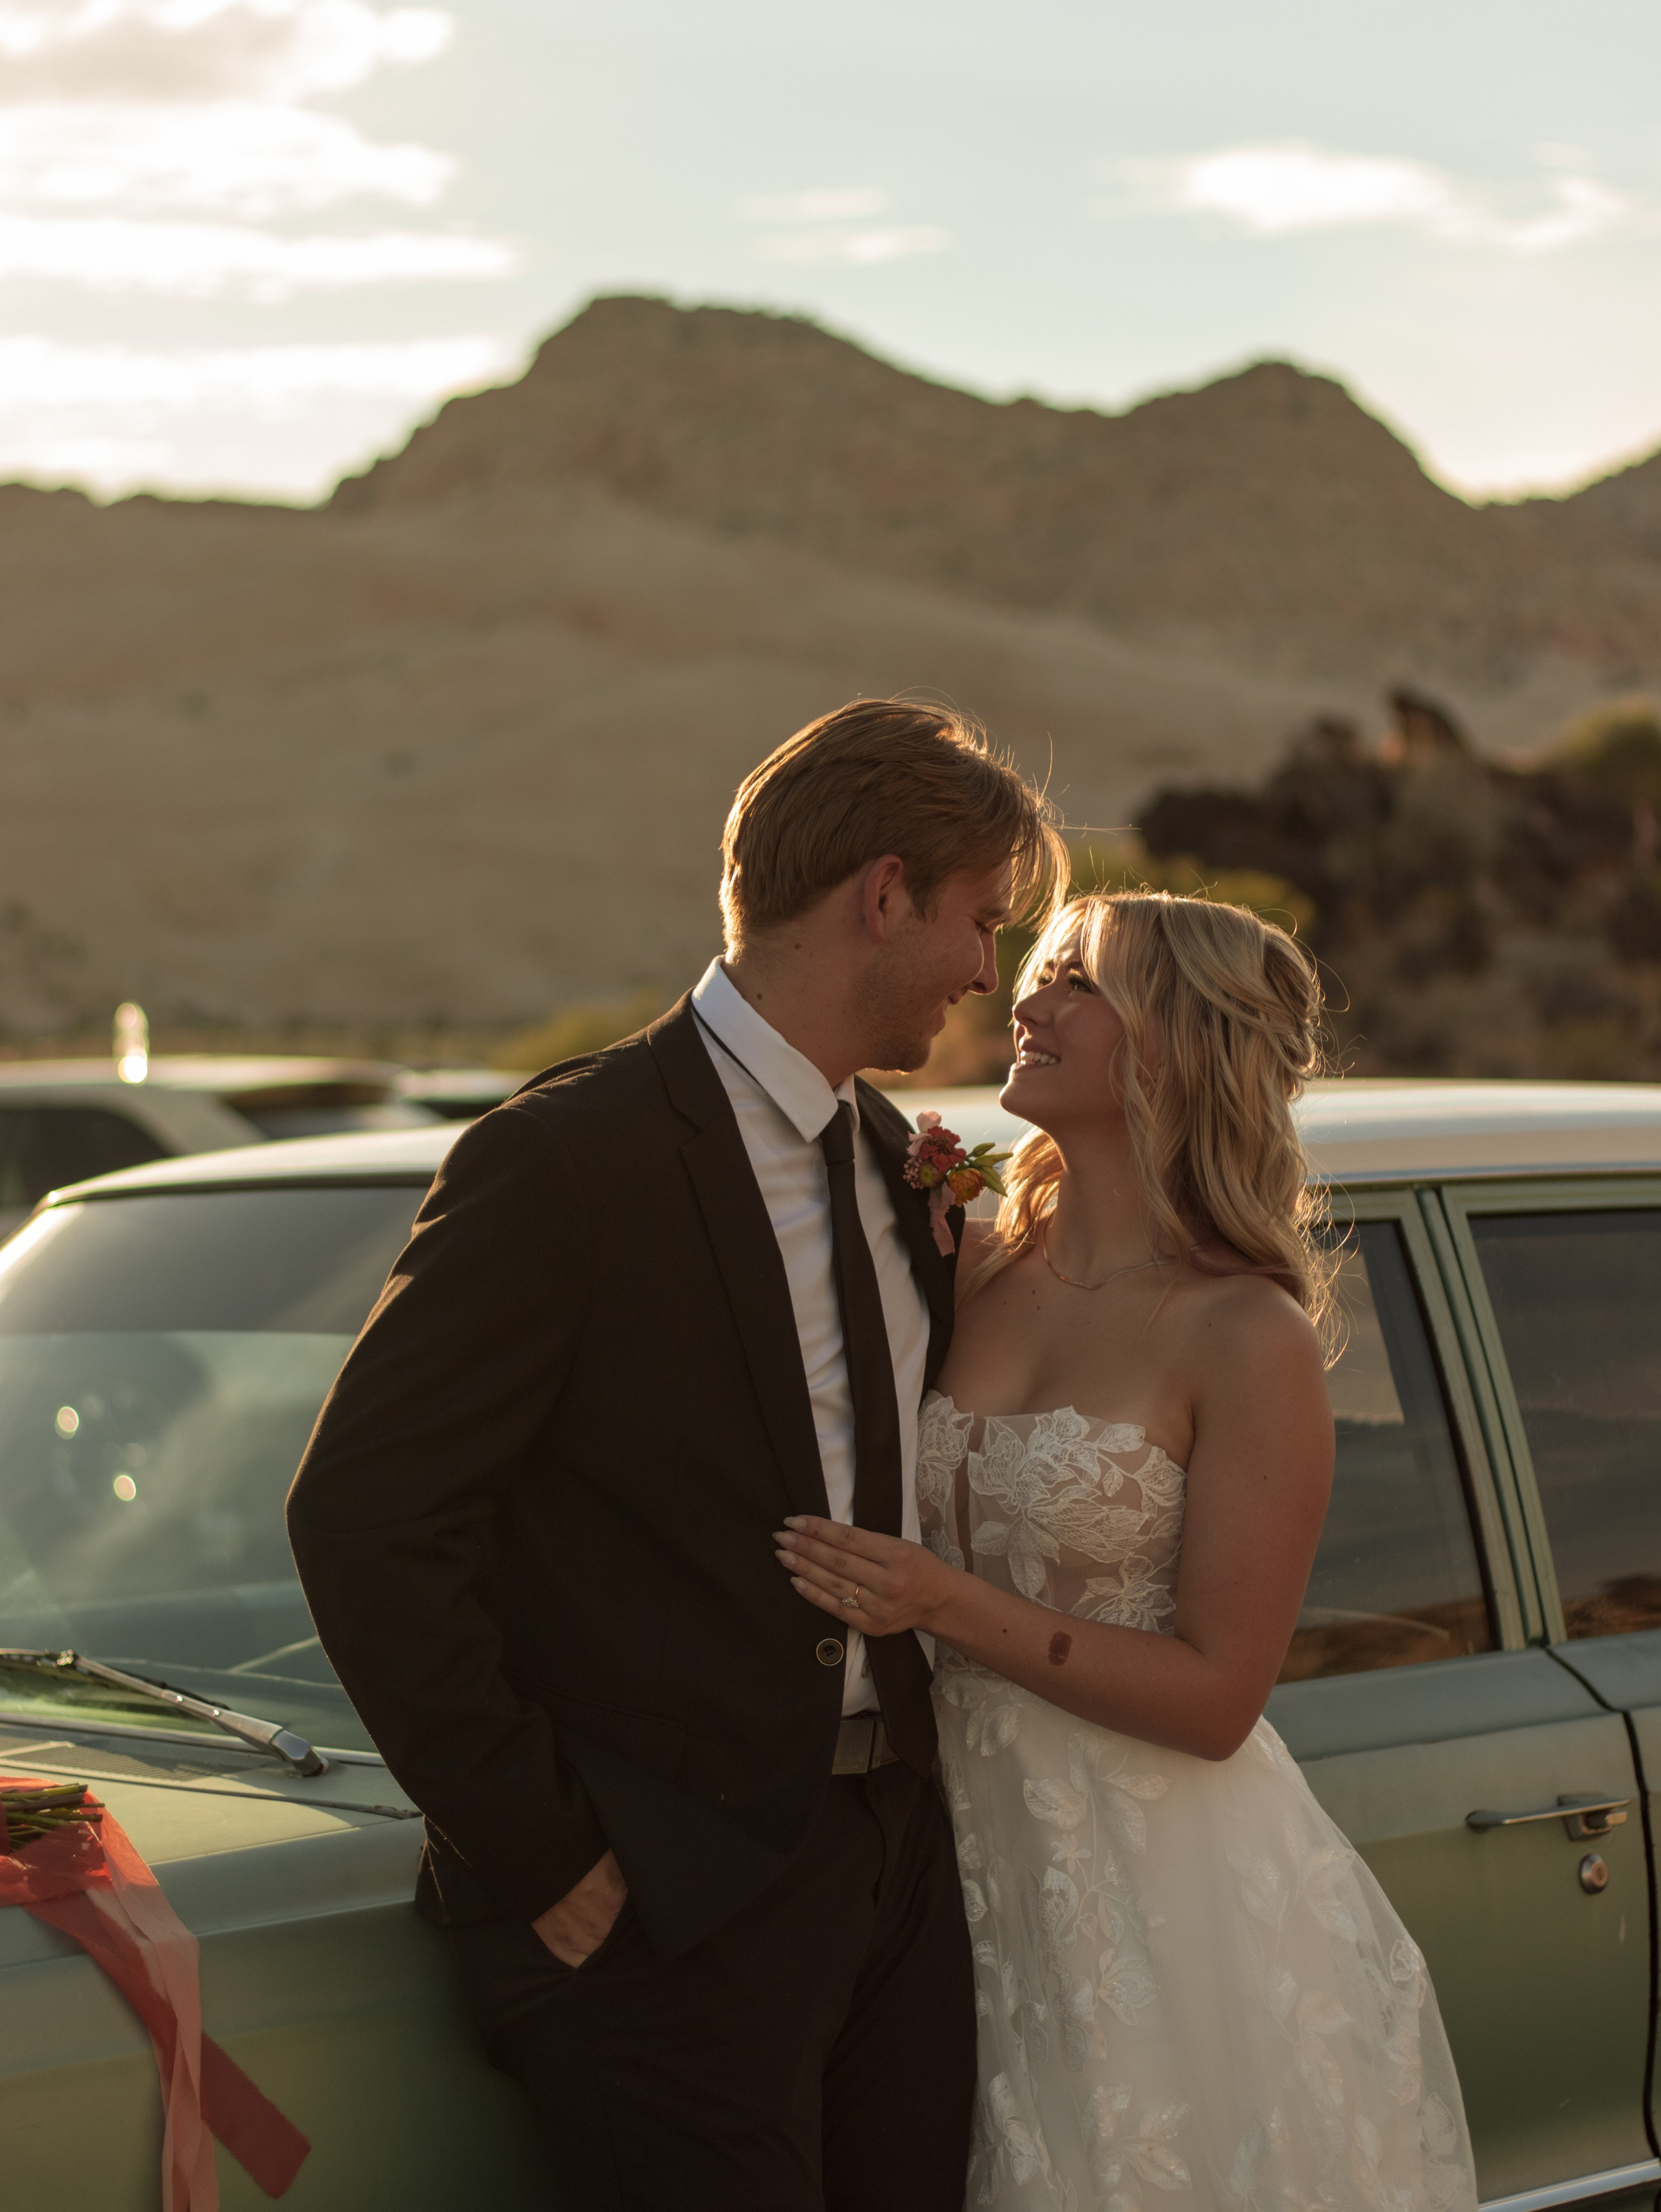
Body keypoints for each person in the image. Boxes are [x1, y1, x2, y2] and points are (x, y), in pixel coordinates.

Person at [285, 698, 1067, 2211]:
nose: (987, 970)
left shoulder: (905, 1165)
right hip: (660, 1910)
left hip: (892, 1872)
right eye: (978, 921)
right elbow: (364, 1514)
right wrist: (543, 1851)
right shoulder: (563, 1158)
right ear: (883, 893)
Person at [775, 890, 1479, 2212]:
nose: (1024, 1001)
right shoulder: (966, 1262)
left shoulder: (1246, 1335)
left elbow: (1217, 1698)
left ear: (1178, 1041)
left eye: (1077, 983)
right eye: (1035, 971)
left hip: (1151, 1891)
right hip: (927, 1859)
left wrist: (941, 1601)